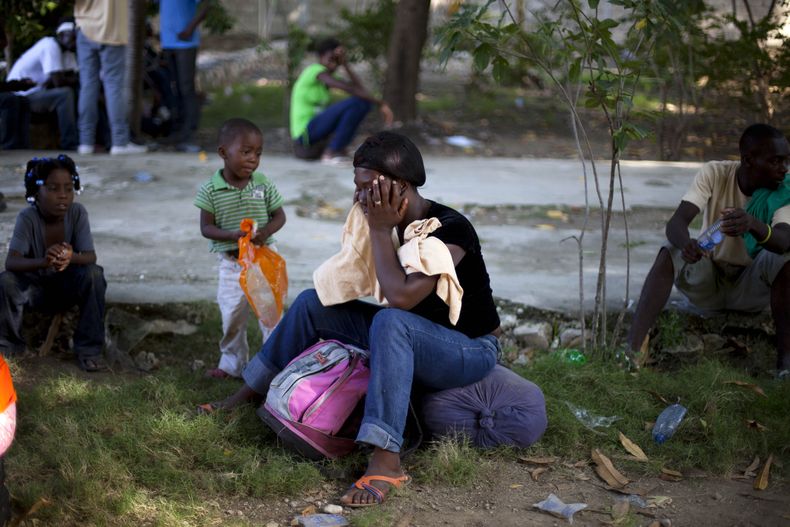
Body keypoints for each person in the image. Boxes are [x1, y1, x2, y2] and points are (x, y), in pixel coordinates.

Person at [202, 131, 502, 507]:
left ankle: (386, 461)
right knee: (314, 303)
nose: (359, 197)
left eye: (366, 187)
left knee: (390, 322)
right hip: (414, 334)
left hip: (469, 349)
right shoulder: (383, 217)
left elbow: (402, 296)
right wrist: (374, 227)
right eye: (357, 186)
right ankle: (248, 395)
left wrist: (378, 229)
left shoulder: (449, 229)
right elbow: (351, 277)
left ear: (400, 186)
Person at [626, 124, 790, 378]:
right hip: (709, 282)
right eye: (775, 161)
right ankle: (630, 354)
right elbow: (677, 223)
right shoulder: (716, 173)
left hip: (751, 288)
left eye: (786, 160)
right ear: (749, 160)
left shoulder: (783, 193)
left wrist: (753, 224)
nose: (784, 168)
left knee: (786, 258)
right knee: (669, 250)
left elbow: (782, 241)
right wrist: (687, 245)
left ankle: (785, 366)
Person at [194, 118, 286, 379]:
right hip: (231, 263)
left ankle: (273, 365)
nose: (253, 159)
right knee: (232, 314)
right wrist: (233, 236)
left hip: (263, 259)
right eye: (246, 152)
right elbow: (206, 228)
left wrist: (266, 232)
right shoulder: (211, 190)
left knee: (270, 313)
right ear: (224, 152)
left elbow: (280, 216)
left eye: (258, 153)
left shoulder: (262, 183)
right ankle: (232, 364)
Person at [0, 155, 108, 372]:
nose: (63, 196)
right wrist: (43, 261)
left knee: (94, 274)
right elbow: (11, 261)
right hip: (35, 290)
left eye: (69, 189)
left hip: (68, 287)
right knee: (6, 281)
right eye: (53, 188)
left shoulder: (77, 213)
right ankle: (9, 347)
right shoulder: (28, 218)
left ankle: (89, 349)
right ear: (36, 193)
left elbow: (90, 257)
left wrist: (71, 256)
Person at [290, 38, 393, 165]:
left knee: (363, 103)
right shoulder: (315, 70)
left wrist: (345, 64)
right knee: (357, 102)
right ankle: (331, 152)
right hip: (304, 134)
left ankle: (337, 149)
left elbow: (358, 88)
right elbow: (349, 89)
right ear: (321, 56)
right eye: (331, 58)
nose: (334, 64)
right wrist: (381, 103)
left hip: (317, 131)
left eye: (336, 60)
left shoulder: (330, 76)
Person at [74, 0, 147, 155]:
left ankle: (85, 143)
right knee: (113, 86)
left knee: (87, 85)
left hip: (86, 28)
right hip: (113, 31)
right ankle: (119, 142)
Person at [6, 18, 80, 150]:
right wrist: (70, 78)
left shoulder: (68, 51)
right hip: (22, 96)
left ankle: (88, 138)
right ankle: (69, 142)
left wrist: (70, 79)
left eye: (77, 38)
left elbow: (74, 77)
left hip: (39, 92)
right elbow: (59, 82)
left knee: (79, 92)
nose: (75, 42)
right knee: (65, 94)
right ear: (61, 35)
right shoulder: (50, 45)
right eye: (72, 37)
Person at [158, 0, 209, 152]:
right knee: (174, 88)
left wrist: (190, 28)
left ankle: (190, 135)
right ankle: (178, 132)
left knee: (186, 88)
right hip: (168, 41)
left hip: (186, 42)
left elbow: (206, 6)